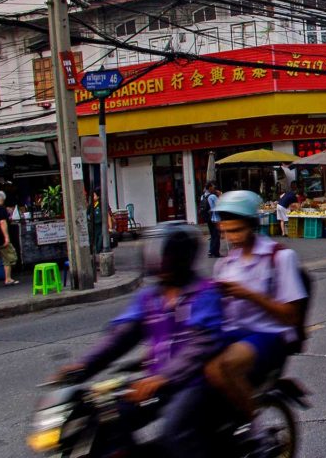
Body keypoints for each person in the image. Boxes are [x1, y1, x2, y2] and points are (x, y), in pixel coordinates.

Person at [54, 223, 223, 457]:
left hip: (193, 382)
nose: (159, 262)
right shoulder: (150, 297)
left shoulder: (204, 293)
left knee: (176, 433)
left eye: (165, 255)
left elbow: (199, 346)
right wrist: (83, 366)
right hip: (155, 382)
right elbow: (121, 336)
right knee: (109, 420)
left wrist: (163, 377)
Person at [206, 190, 307, 423]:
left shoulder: (280, 257)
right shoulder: (225, 265)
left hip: (269, 335)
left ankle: (255, 429)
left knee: (223, 367)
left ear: (252, 225)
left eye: (237, 230)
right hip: (233, 334)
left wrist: (248, 295)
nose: (232, 237)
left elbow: (290, 315)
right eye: (226, 231)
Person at [203, 183, 222, 258]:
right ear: (210, 188)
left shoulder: (203, 196)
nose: (214, 188)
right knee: (216, 236)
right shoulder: (213, 196)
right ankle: (215, 252)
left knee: (213, 235)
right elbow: (220, 205)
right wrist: (220, 195)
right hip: (216, 218)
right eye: (213, 186)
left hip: (208, 219)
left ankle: (211, 251)